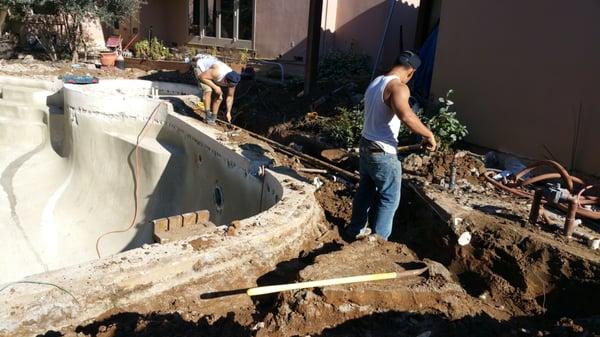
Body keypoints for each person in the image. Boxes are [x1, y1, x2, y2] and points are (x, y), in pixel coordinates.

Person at [345, 51, 437, 241]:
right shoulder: (398, 87)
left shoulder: (376, 82)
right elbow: (406, 115)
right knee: (389, 198)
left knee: (365, 191)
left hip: (366, 146)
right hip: (382, 153)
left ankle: (355, 230)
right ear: (411, 72)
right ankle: (379, 243)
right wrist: (428, 134)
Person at [192, 54, 241, 124]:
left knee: (219, 96)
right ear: (226, 80)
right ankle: (208, 116)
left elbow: (230, 96)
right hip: (201, 69)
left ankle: (213, 118)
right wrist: (216, 87)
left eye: (233, 85)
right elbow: (201, 77)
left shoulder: (233, 81)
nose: (231, 86)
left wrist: (228, 112)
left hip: (211, 74)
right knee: (208, 90)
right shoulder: (217, 73)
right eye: (230, 85)